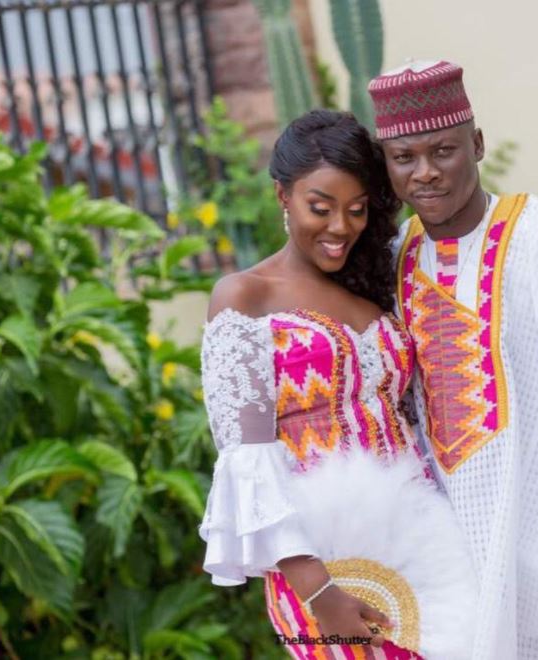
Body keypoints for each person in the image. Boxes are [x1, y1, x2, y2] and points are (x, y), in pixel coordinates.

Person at [198, 109, 477, 659]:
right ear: (283, 195)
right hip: (325, 568)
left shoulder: (372, 289)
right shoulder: (244, 297)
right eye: (320, 208)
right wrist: (320, 593)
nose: (340, 228)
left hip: (423, 543)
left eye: (356, 209)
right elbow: (247, 459)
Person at [368, 60, 538, 659]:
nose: (426, 172)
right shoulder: (390, 262)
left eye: (443, 150)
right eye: (404, 157)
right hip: (462, 569)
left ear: (476, 144)